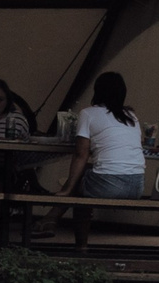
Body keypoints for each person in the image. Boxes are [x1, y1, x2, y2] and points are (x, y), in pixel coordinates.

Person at [62, 71, 145, 202]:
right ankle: (50, 220)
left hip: (109, 186)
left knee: (78, 178)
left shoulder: (88, 114)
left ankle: (54, 219)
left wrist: (66, 189)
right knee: (85, 172)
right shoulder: (131, 116)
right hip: (137, 186)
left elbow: (81, 155)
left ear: (97, 91)